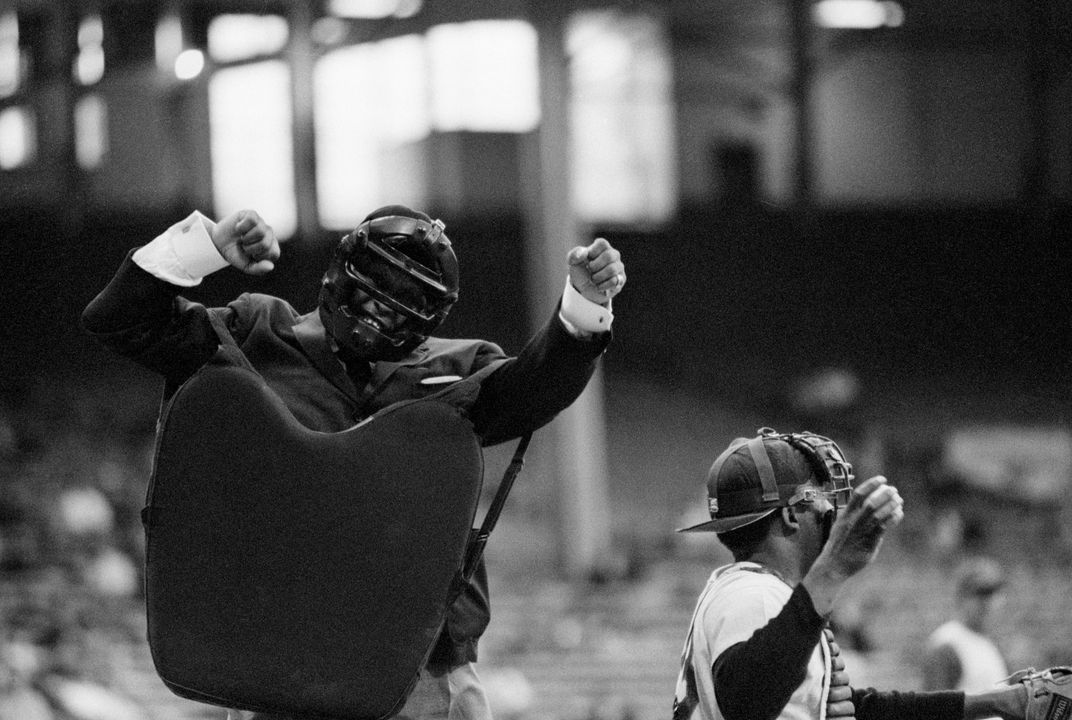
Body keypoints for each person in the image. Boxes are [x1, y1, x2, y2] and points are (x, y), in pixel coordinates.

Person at [81, 204, 626, 720]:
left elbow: (536, 387)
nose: (381, 312)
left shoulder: (459, 368)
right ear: (342, 274)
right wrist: (207, 248)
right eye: (376, 292)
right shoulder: (254, 332)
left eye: (403, 302)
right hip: (274, 658)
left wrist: (581, 307)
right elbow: (121, 318)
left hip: (421, 668)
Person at [672, 427, 1031, 720]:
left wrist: (997, 701)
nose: (832, 509)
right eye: (822, 497)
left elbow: (847, 707)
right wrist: (832, 571)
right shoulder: (752, 593)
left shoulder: (764, 593)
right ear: (790, 516)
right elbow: (747, 703)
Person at [922, 557, 1010, 693]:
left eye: (993, 594)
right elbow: (933, 709)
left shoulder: (989, 644)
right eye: (981, 594)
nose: (988, 602)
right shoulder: (947, 644)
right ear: (962, 597)